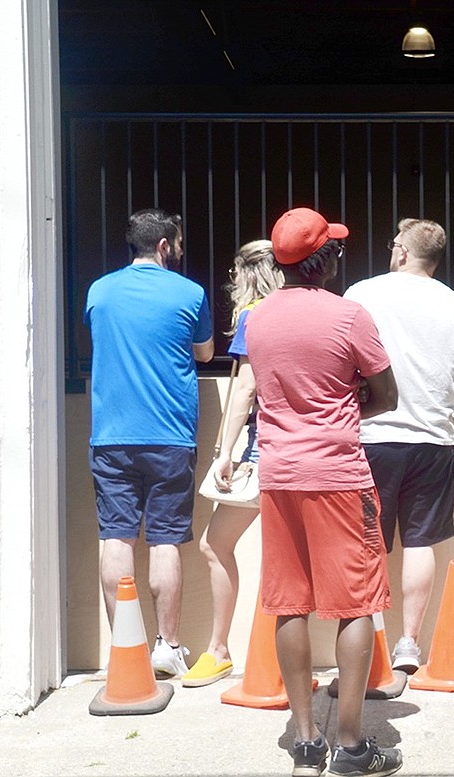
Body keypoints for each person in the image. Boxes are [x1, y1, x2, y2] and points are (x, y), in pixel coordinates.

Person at [244, 207, 403, 777]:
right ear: (326, 260)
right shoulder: (349, 316)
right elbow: (387, 394)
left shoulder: (255, 320)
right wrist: (348, 402)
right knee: (355, 603)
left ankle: (307, 737)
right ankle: (353, 745)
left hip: (279, 474)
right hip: (338, 475)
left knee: (290, 602)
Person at [343, 218, 454, 674]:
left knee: (369, 543)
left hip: (371, 437)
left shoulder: (362, 294)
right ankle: (409, 643)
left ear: (403, 251)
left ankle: (373, 640)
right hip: (432, 439)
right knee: (420, 541)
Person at [84, 207, 214, 679]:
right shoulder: (190, 293)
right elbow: (204, 352)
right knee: (164, 541)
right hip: (169, 437)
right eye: (177, 243)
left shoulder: (99, 290)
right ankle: (168, 646)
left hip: (111, 435)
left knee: (115, 536)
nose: (179, 250)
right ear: (165, 245)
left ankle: (126, 648)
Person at [183, 240, 283, 688]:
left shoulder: (254, 316)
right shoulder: (318, 307)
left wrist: (224, 453)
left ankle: (220, 649)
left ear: (245, 277)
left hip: (266, 449)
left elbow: (245, 388)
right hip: (316, 450)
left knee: (214, 544)